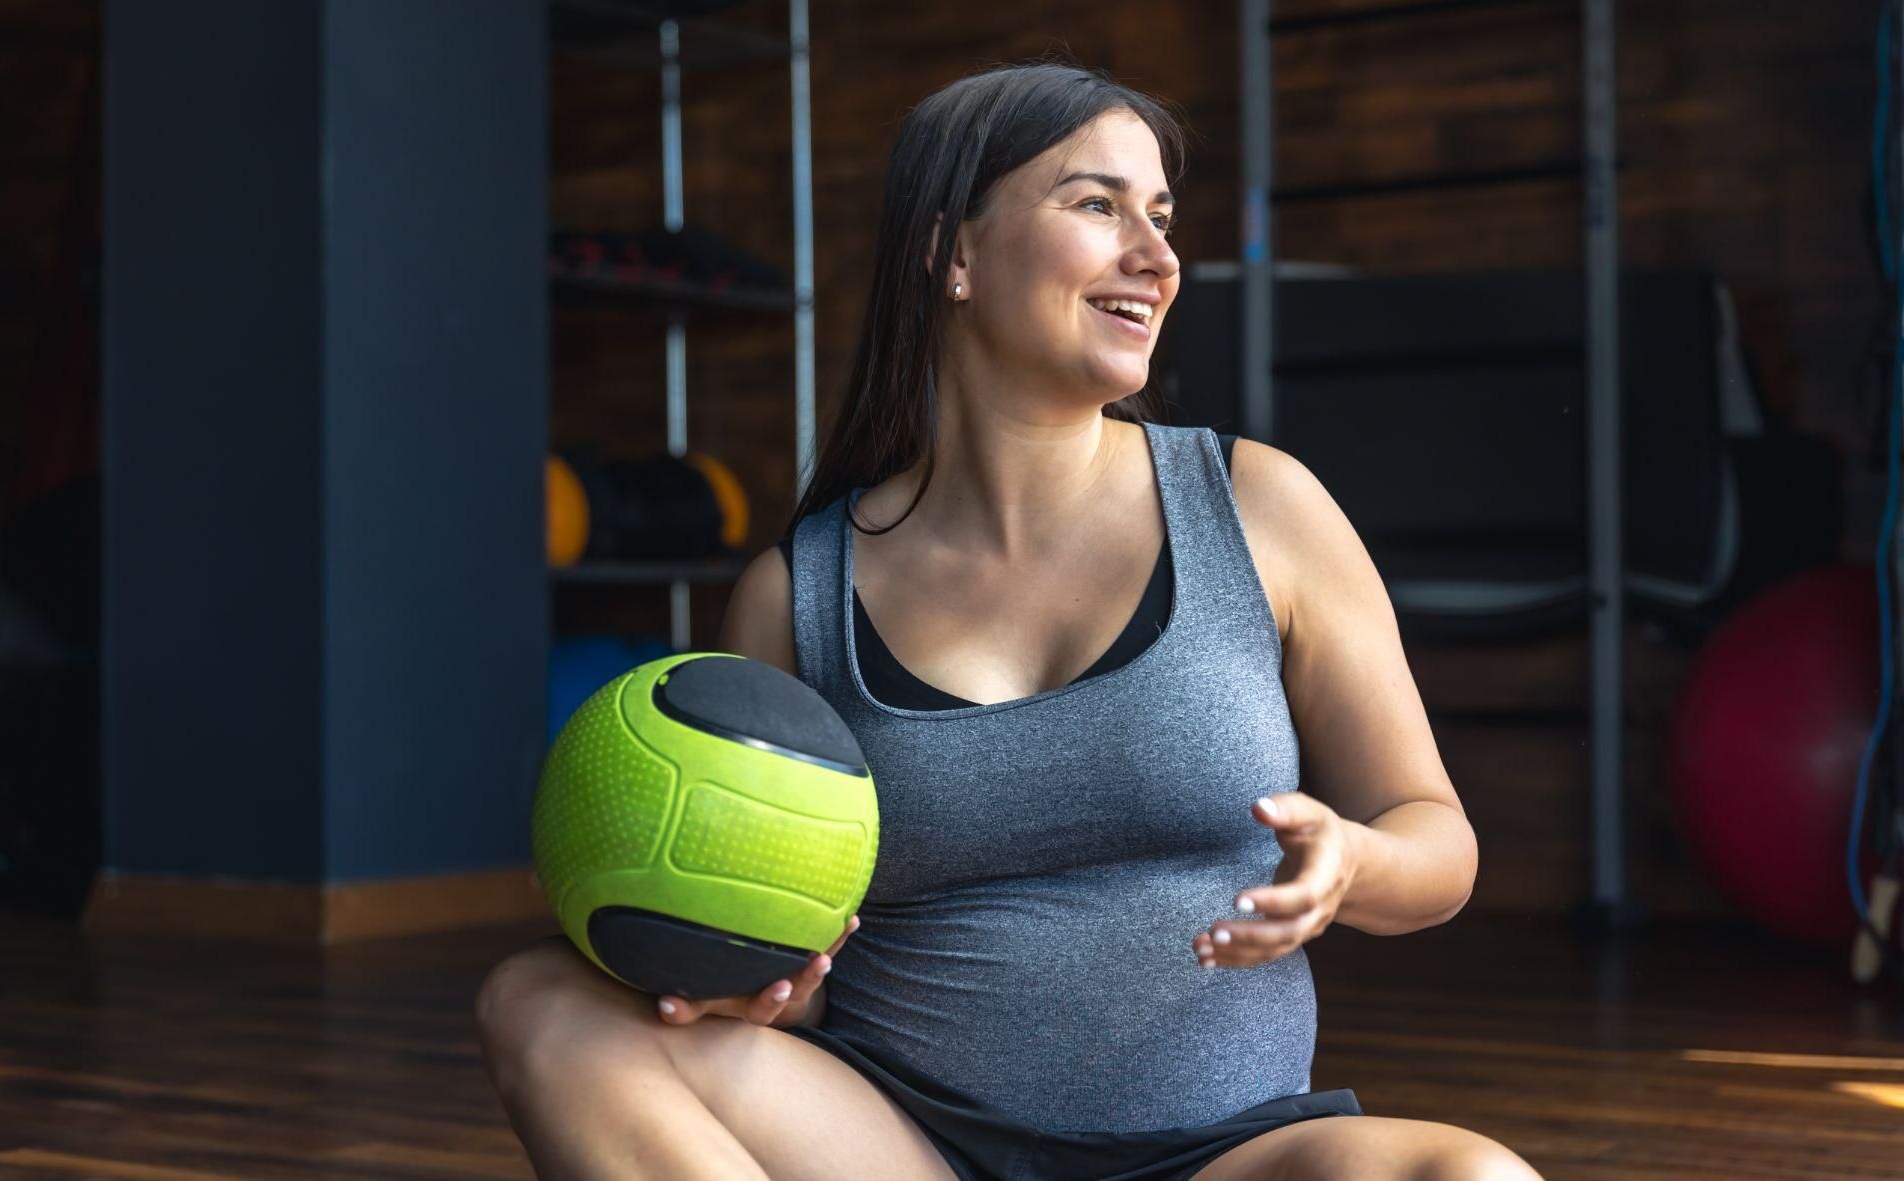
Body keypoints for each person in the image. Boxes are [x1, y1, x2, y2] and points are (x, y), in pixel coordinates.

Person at [476, 61, 1544, 1181]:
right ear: (954, 253)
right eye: (1097, 204)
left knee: (1472, 1178)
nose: (1157, 255)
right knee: (540, 998)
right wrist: (764, 984)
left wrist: (1352, 861)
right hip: (897, 1143)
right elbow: (784, 969)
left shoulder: (1258, 506)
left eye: (1161, 215)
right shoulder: (798, 590)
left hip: (1221, 1153)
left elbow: (1439, 840)